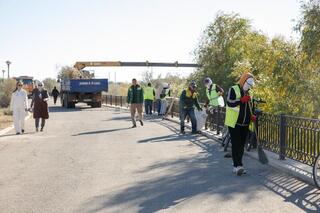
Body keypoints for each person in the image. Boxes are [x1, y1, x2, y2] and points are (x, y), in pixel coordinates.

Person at [225, 72, 256, 176]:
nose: (249, 87)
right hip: (234, 123)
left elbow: (250, 107)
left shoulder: (248, 92)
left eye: (251, 86)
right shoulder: (233, 89)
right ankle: (237, 166)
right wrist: (241, 100)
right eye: (248, 85)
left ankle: (239, 165)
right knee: (236, 144)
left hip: (245, 124)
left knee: (242, 145)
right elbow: (229, 102)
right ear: (243, 81)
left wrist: (252, 116)